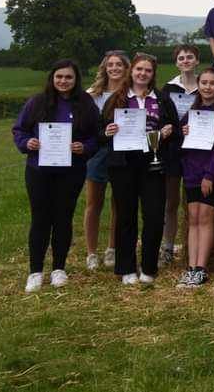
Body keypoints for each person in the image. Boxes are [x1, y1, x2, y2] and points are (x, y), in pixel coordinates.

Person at [13, 60, 99, 291]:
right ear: (52, 78)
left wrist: (84, 147)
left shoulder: (85, 103)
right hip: (38, 171)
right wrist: (26, 142)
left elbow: (96, 136)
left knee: (63, 218)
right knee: (40, 219)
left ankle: (59, 268)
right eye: (59, 76)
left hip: (71, 172)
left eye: (68, 77)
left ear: (76, 79)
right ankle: (35, 271)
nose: (63, 81)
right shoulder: (37, 102)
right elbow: (19, 129)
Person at [101, 52, 178, 285]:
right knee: (126, 216)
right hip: (123, 165)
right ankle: (126, 268)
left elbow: (173, 128)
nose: (143, 73)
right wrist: (107, 132)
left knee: (154, 216)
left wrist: (168, 131)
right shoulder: (117, 98)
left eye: (148, 70)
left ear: (153, 74)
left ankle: (149, 267)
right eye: (139, 69)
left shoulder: (162, 99)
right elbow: (100, 132)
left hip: (153, 164)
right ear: (131, 71)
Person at [176, 69, 214, 289]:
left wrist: (209, 174)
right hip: (192, 174)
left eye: (213, 83)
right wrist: (183, 132)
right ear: (198, 85)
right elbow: (184, 146)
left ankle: (201, 269)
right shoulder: (192, 112)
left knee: (206, 218)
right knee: (193, 218)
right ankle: (190, 268)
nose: (208, 87)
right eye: (204, 83)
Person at [84, 50, 128, 270]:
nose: (114, 68)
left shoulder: (130, 93)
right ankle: (91, 252)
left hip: (122, 152)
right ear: (104, 68)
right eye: (110, 64)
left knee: (118, 204)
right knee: (94, 203)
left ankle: (112, 249)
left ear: (126, 67)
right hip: (98, 153)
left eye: (119, 64)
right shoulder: (92, 94)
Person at [160, 44, 200, 267]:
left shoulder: (205, 85)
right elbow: (163, 120)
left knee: (194, 203)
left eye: (189, 57)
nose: (185, 61)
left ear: (196, 61)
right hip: (173, 151)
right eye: (181, 58)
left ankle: (191, 246)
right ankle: (167, 247)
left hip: (197, 151)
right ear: (176, 63)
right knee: (171, 202)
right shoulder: (168, 88)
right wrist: (176, 131)